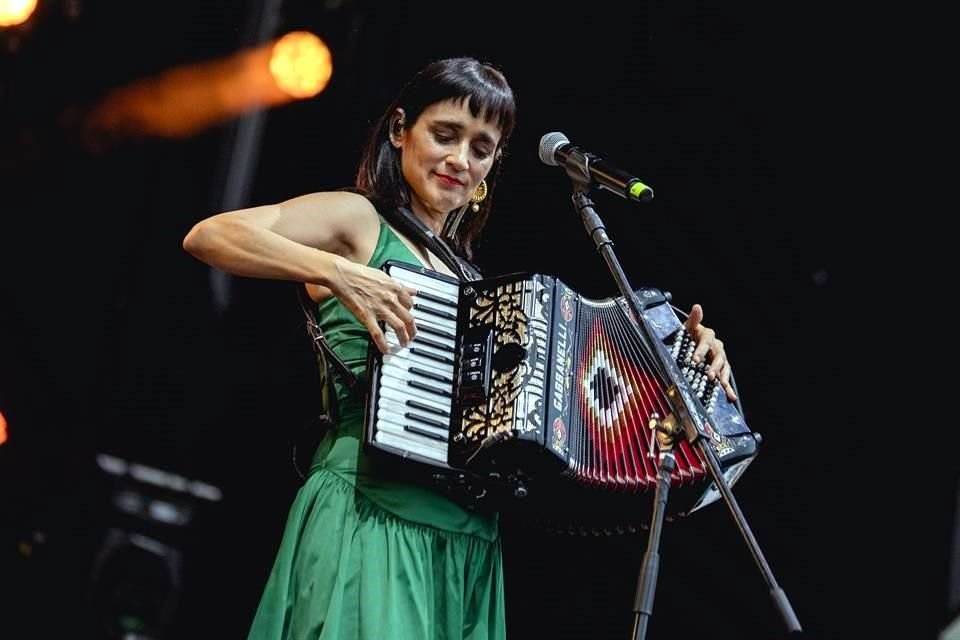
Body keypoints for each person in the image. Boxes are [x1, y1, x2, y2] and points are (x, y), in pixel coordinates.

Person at [182, 56, 735, 640]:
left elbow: (582, 413)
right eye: (444, 135)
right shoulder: (361, 221)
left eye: (481, 147)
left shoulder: (475, 289)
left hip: (468, 542)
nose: (459, 160)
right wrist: (338, 271)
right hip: (373, 512)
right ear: (400, 131)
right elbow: (211, 235)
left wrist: (683, 370)